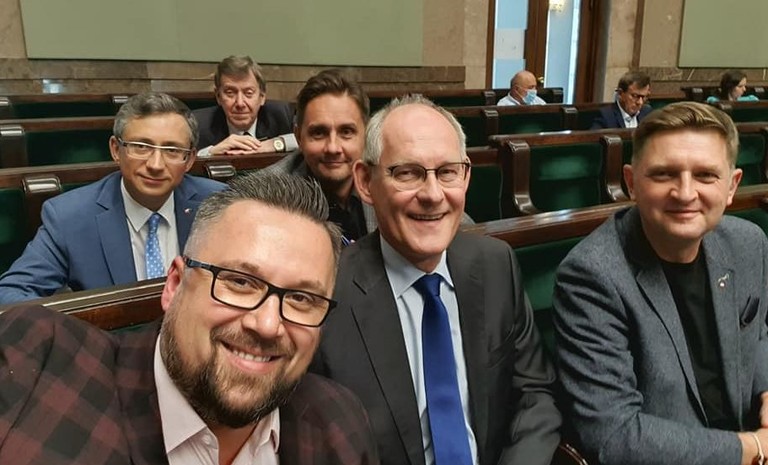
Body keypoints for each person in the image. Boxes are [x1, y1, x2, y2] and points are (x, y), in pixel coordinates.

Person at [0, 172, 380, 465]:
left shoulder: (340, 425)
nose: (267, 325)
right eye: (239, 282)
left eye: (301, 298)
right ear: (175, 285)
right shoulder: (40, 364)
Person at [311, 95, 561, 465]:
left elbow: (535, 395)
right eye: (407, 173)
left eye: (447, 172)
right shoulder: (327, 294)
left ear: (466, 177)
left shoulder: (495, 265)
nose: (432, 195)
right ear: (365, 182)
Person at [554, 101, 768, 465]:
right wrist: (753, 447)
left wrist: (766, 392)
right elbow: (615, 435)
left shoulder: (749, 243)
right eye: (664, 174)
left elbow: (759, 333)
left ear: (732, 186)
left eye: (705, 175)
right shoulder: (591, 275)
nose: (685, 193)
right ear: (631, 183)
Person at [0, 92, 226, 305]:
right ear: (116, 150)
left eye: (172, 150)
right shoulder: (70, 216)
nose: (156, 165)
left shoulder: (221, 204)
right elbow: (11, 294)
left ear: (189, 159)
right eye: (141, 147)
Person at [262, 68, 374, 241]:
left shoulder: (385, 182)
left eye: (346, 132)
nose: (333, 148)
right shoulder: (265, 198)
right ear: (299, 137)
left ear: (365, 135)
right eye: (319, 133)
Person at [194, 55, 297, 157]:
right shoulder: (198, 123)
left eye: (248, 93)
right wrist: (210, 152)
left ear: (262, 97)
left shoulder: (282, 113)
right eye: (230, 93)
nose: (240, 103)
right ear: (218, 97)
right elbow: (186, 154)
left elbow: (304, 138)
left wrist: (275, 143)